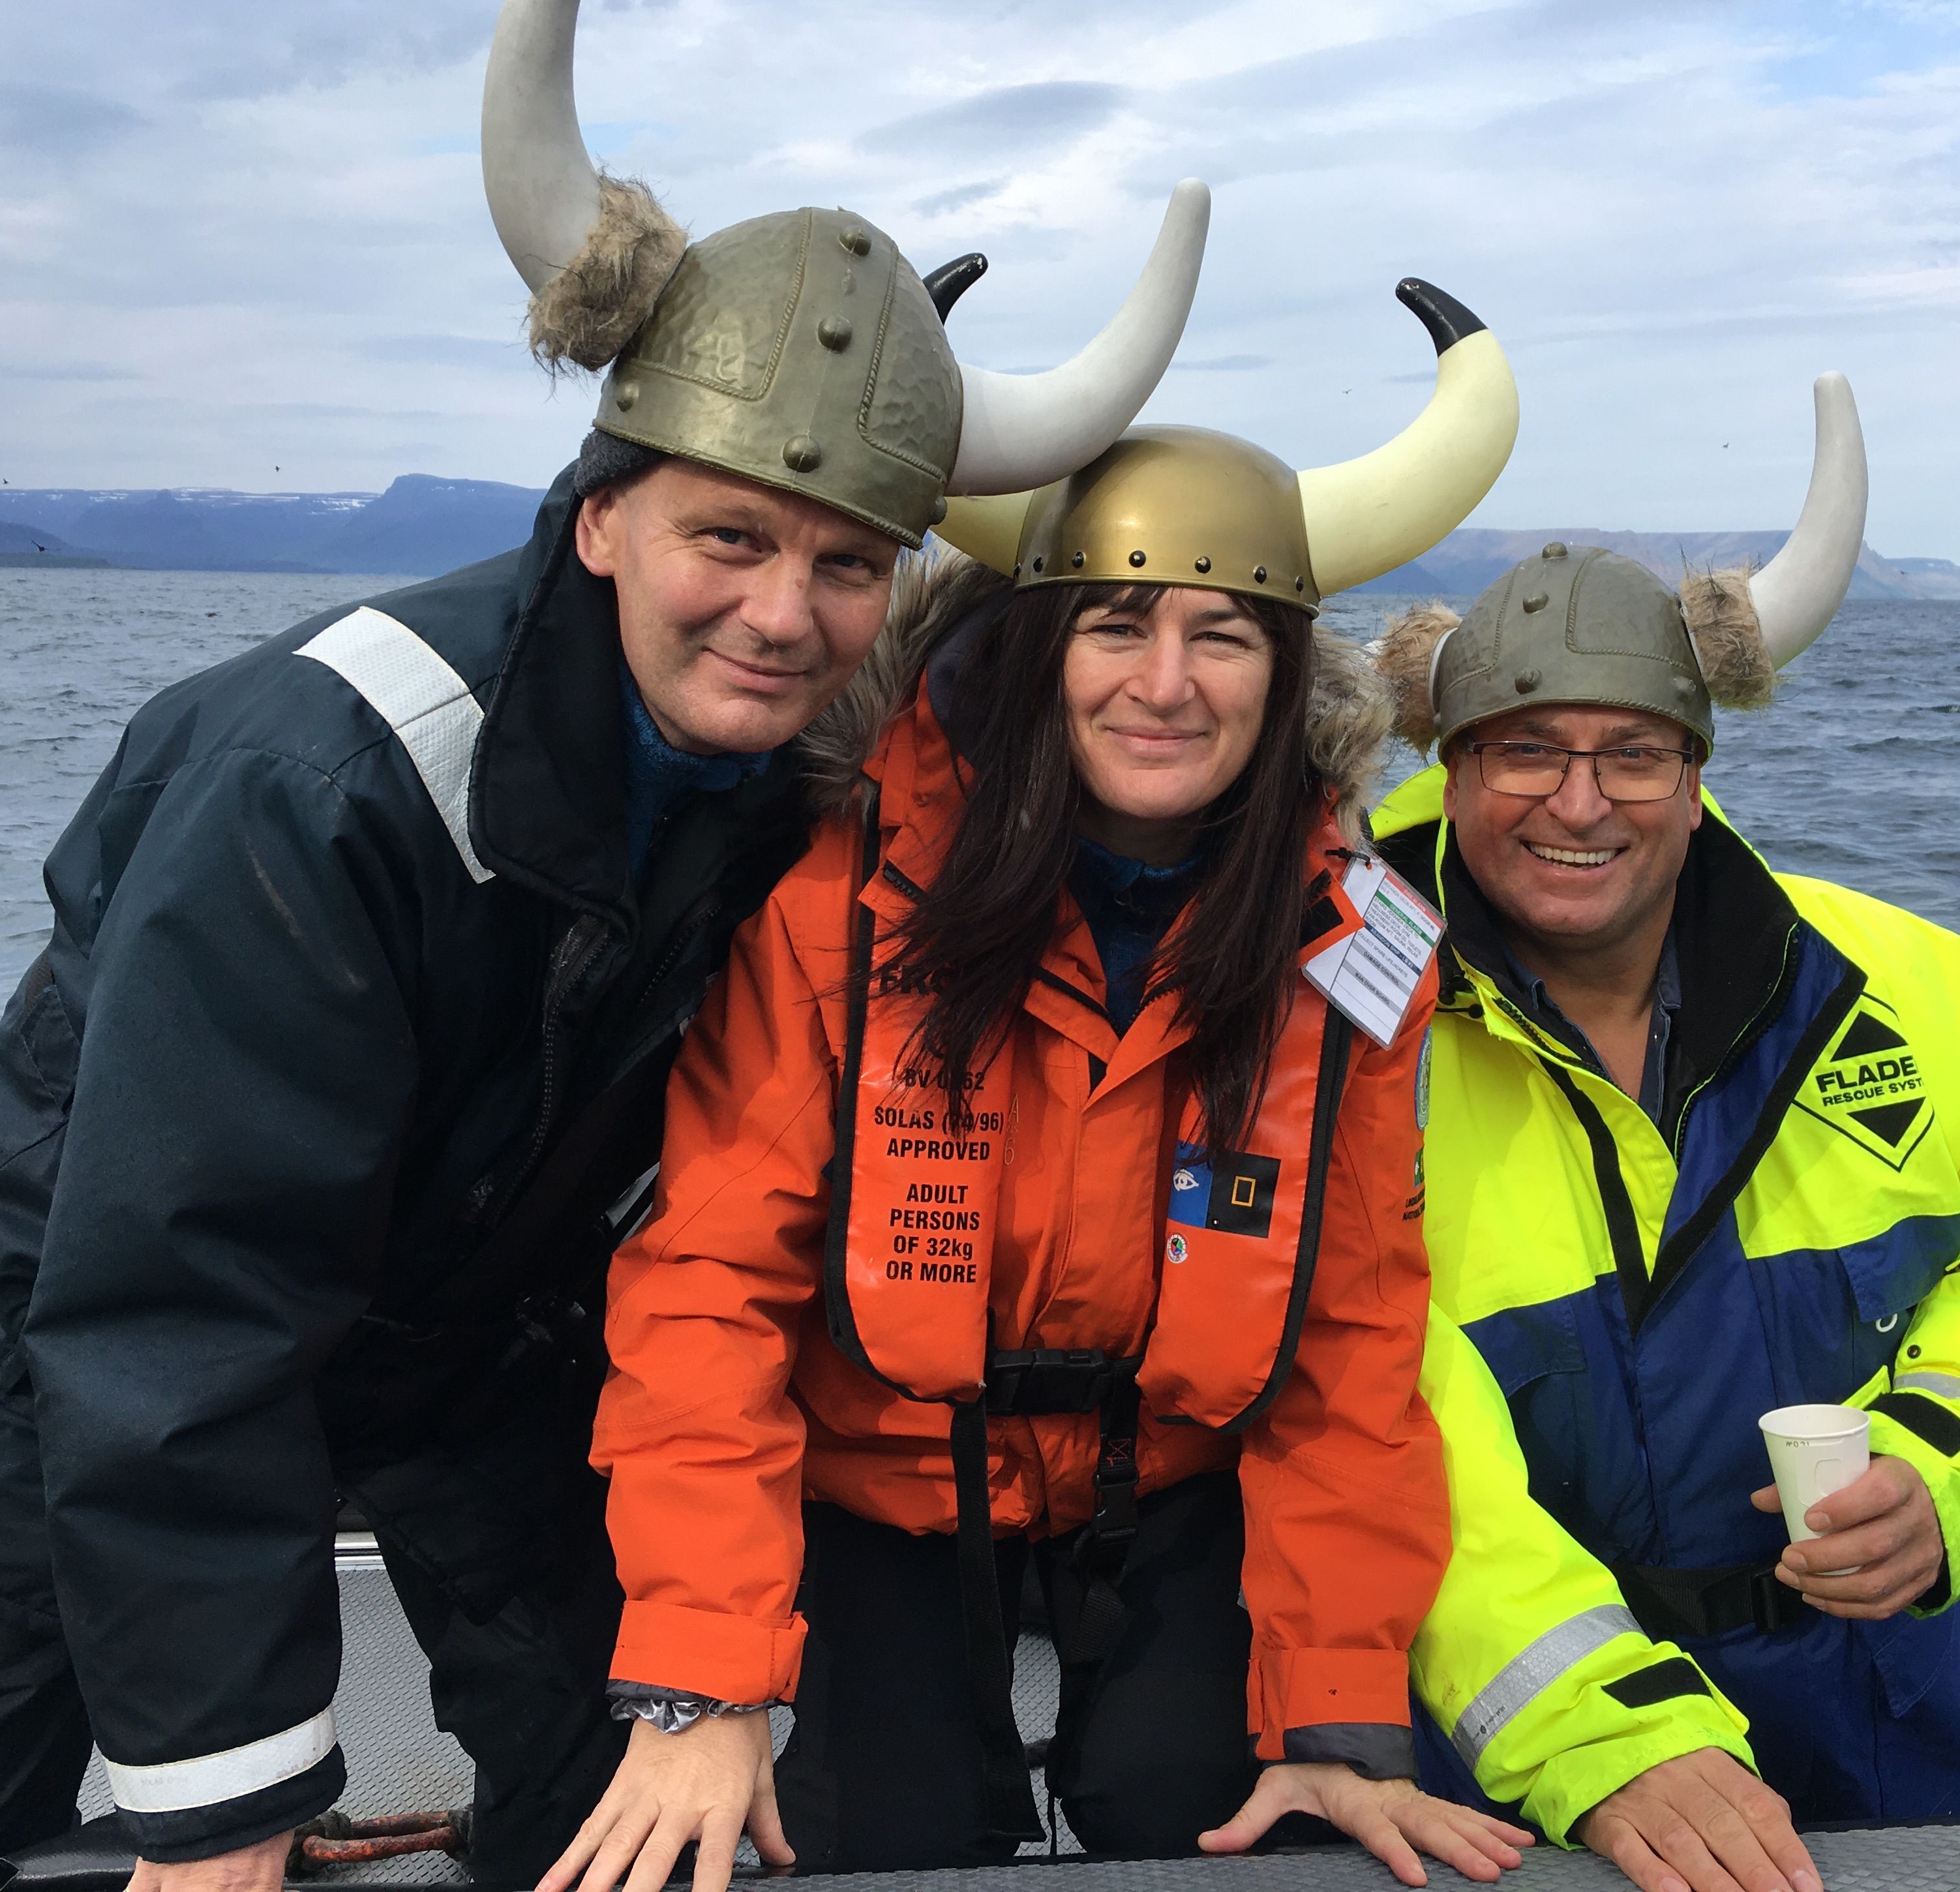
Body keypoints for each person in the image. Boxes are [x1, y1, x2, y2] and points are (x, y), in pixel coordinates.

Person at [0, 0, 1209, 1884]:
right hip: (82, 1306)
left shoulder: (798, 772)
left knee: (618, 1801)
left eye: (846, 562)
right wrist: (230, 1802)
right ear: (602, 513)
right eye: (730, 536)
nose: (783, 613)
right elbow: (179, 1288)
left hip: (469, 1315)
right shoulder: (330, 777)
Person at [537, 283, 1528, 1892]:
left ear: (1284, 678)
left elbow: (1350, 1341)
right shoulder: (842, 902)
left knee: (1231, 1833)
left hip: (1177, 1481)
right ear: (1032, 649)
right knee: (876, 1843)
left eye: (1223, 636)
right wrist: (703, 1685)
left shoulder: (1351, 947)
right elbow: (708, 1284)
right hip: (882, 1480)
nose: (1167, 683)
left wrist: (1342, 1712)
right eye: (1115, 625)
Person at [1372, 376, 1960, 1892]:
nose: (1580, 803)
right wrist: (1597, 1732)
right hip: (1508, 1762)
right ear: (1449, 770)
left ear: (1698, 775)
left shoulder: (1911, 989)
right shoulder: (1343, 1038)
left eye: (1635, 753)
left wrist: (1941, 1474)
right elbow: (1363, 1411)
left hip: (1882, 1703)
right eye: (1524, 750)